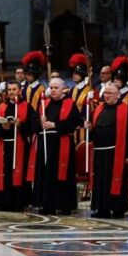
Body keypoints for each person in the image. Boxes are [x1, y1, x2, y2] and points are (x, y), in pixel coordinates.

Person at [29, 77, 84, 215]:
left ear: (63, 89)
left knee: (62, 174)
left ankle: (64, 204)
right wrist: (40, 123)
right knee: (45, 173)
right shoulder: (44, 104)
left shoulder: (70, 104)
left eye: (56, 88)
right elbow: (33, 121)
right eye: (51, 88)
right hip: (45, 144)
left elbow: (75, 122)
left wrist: (54, 125)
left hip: (61, 143)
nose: (53, 90)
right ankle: (46, 204)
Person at [85, 82, 128, 219]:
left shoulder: (125, 110)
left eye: (110, 93)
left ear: (117, 95)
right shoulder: (98, 109)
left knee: (115, 181)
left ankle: (117, 209)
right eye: (105, 93)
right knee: (100, 181)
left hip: (116, 153)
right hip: (99, 152)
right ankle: (101, 209)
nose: (106, 96)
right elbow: (93, 133)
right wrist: (89, 129)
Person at [0, 82, 33, 212]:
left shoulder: (26, 106)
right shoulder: (2, 106)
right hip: (5, 145)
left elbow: (35, 126)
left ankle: (19, 202)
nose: (11, 92)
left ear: (20, 90)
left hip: (20, 144)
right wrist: (2, 127)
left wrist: (21, 124)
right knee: (5, 174)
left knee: (19, 174)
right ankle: (4, 202)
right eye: (9, 90)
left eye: (14, 89)